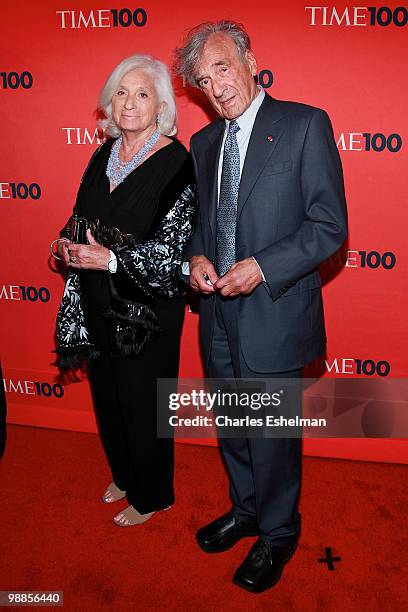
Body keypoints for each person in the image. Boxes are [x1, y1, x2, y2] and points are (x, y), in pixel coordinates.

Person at [175, 21, 347, 592]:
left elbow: (328, 227)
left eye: (222, 68)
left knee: (270, 433)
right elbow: (203, 221)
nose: (216, 88)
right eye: (203, 81)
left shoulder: (303, 125)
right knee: (233, 425)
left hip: (274, 310)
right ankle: (246, 511)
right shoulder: (202, 144)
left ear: (249, 58)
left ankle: (278, 533)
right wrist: (198, 256)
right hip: (217, 315)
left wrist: (264, 266)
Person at [51, 55, 196, 527]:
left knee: (142, 403)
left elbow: (171, 253)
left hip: (147, 314)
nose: (129, 104)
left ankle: (154, 494)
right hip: (96, 302)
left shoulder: (176, 162)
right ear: (109, 104)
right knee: (109, 401)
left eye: (142, 94)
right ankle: (126, 475)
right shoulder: (101, 155)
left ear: (160, 106)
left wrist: (110, 259)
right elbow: (79, 219)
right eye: (121, 93)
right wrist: (64, 244)